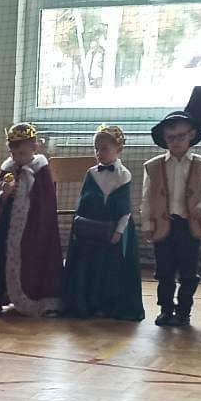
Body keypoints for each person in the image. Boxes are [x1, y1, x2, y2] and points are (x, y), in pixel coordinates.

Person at [58, 125, 143, 322]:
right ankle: (87, 304)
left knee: (110, 269)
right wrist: (79, 228)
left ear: (118, 149)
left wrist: (118, 232)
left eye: (104, 148)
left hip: (113, 229)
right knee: (89, 267)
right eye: (96, 148)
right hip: (90, 229)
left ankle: (109, 306)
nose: (99, 153)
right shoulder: (91, 173)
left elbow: (125, 209)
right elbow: (83, 202)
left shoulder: (123, 175)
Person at [0, 123, 62, 316]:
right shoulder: (8, 168)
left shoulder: (41, 170)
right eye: (13, 152)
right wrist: (4, 194)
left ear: (35, 147)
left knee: (31, 260)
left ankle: (39, 301)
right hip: (6, 225)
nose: (17, 157)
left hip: (33, 229)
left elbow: (45, 205)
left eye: (22, 152)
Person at [140, 111, 201, 328]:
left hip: (189, 226)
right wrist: (147, 224)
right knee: (164, 272)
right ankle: (165, 309)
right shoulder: (152, 166)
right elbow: (146, 198)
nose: (176, 141)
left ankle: (183, 311)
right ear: (164, 138)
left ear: (191, 135)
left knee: (189, 273)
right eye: (170, 137)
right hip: (163, 225)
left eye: (181, 136)